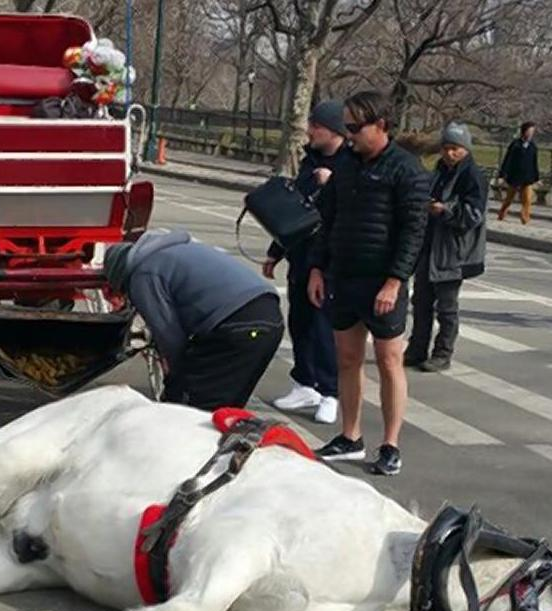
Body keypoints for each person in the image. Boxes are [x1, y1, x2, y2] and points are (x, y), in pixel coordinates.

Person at [306, 90, 430, 476]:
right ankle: (350, 435)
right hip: (344, 276)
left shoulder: (407, 170)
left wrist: (395, 281)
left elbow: (414, 232)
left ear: (381, 125)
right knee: (347, 359)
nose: (350, 134)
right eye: (347, 126)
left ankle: (390, 444)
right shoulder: (345, 164)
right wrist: (316, 268)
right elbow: (327, 220)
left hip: (383, 281)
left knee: (390, 360)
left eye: (356, 127)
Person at [104, 229, 283, 411]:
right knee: (227, 409)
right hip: (270, 317)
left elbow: (168, 333)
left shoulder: (142, 275)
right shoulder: (179, 250)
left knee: (192, 409)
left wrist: (174, 374)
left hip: (236, 325)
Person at [263, 99, 348, 424]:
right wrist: (276, 250)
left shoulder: (348, 165)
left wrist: (333, 185)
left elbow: (350, 213)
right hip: (301, 254)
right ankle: (305, 381)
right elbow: (294, 211)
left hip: (329, 259)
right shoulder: (309, 162)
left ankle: (330, 391)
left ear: (334, 131)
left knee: (323, 325)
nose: (310, 131)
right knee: (299, 321)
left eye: (317, 126)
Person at [406, 122, 487, 373]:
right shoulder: (439, 171)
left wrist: (446, 210)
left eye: (455, 149)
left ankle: (443, 352)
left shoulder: (473, 176)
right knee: (420, 301)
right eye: (446, 148)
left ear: (465, 150)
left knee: (447, 306)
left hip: (453, 250)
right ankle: (416, 348)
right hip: (429, 244)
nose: (450, 154)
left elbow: (473, 215)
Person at [497, 121, 539, 224]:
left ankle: (525, 219)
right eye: (529, 131)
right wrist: (502, 175)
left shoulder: (533, 146)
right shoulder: (515, 145)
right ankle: (502, 214)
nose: (531, 134)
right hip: (514, 176)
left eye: (532, 131)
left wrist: (536, 178)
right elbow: (507, 160)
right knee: (509, 199)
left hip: (527, 178)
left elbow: (534, 163)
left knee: (527, 200)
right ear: (524, 131)